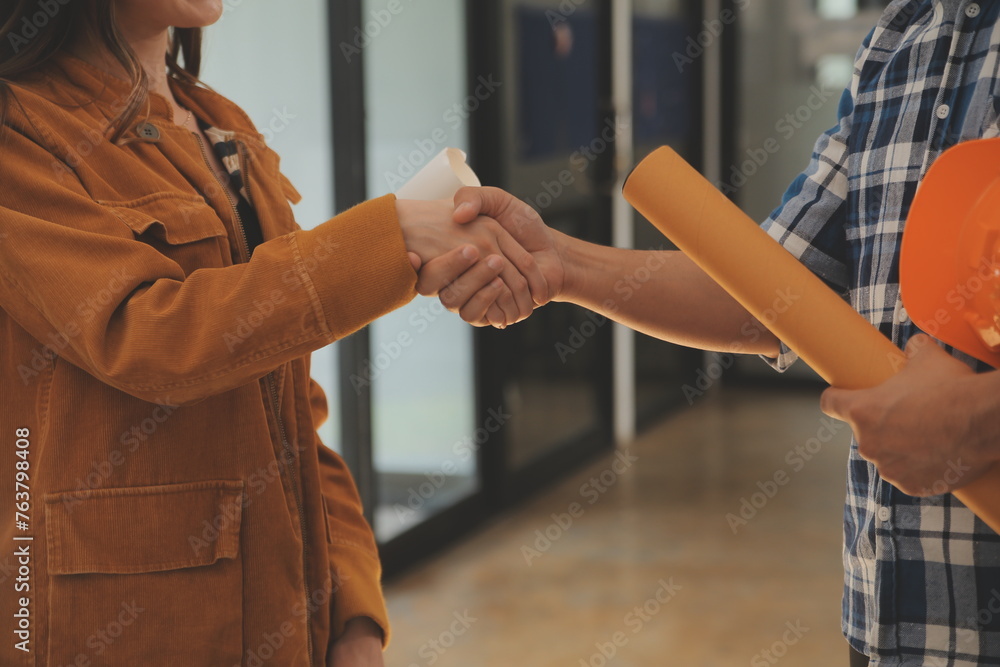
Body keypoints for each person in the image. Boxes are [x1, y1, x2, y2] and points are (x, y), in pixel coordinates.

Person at [430, 1, 1000, 665]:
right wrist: (561, 263)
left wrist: (982, 420)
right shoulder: (904, 37)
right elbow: (775, 294)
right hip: (890, 627)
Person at [0, 1, 543, 666]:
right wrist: (389, 236)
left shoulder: (223, 125)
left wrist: (354, 611)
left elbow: (293, 409)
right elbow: (147, 336)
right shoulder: (18, 130)